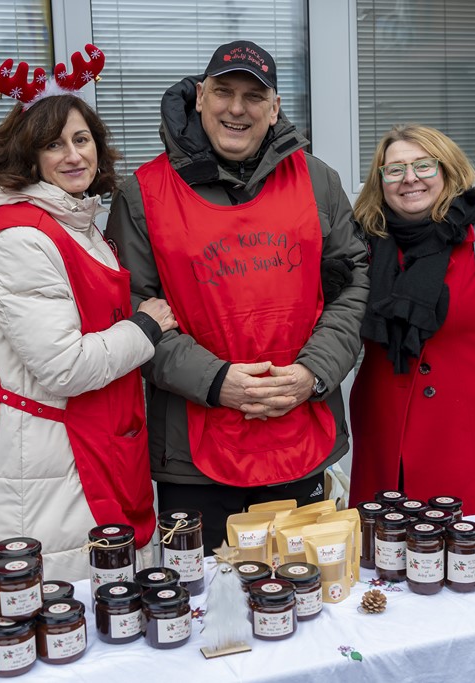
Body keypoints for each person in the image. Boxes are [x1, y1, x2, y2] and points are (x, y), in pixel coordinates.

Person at [106, 40, 369, 553]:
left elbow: (353, 285)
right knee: (205, 610)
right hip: (194, 456)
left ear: (274, 110)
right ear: (199, 97)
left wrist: (313, 371)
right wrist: (217, 380)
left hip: (301, 431)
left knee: (307, 598)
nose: (236, 108)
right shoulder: (143, 193)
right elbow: (130, 315)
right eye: (224, 92)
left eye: (254, 96)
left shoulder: (318, 182)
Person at [0, 56, 176, 596]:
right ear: (28, 155)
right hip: (38, 471)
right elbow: (63, 367)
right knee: (50, 617)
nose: (74, 155)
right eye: (54, 144)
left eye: (82, 139)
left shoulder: (75, 222)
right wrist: (146, 327)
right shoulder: (21, 238)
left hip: (83, 448)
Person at [348, 124, 475, 516]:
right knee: (384, 563)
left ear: (447, 171)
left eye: (423, 166)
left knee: (466, 563)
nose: (409, 179)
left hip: (468, 442)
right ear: (381, 182)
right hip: (384, 444)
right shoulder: (363, 249)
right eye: (394, 170)